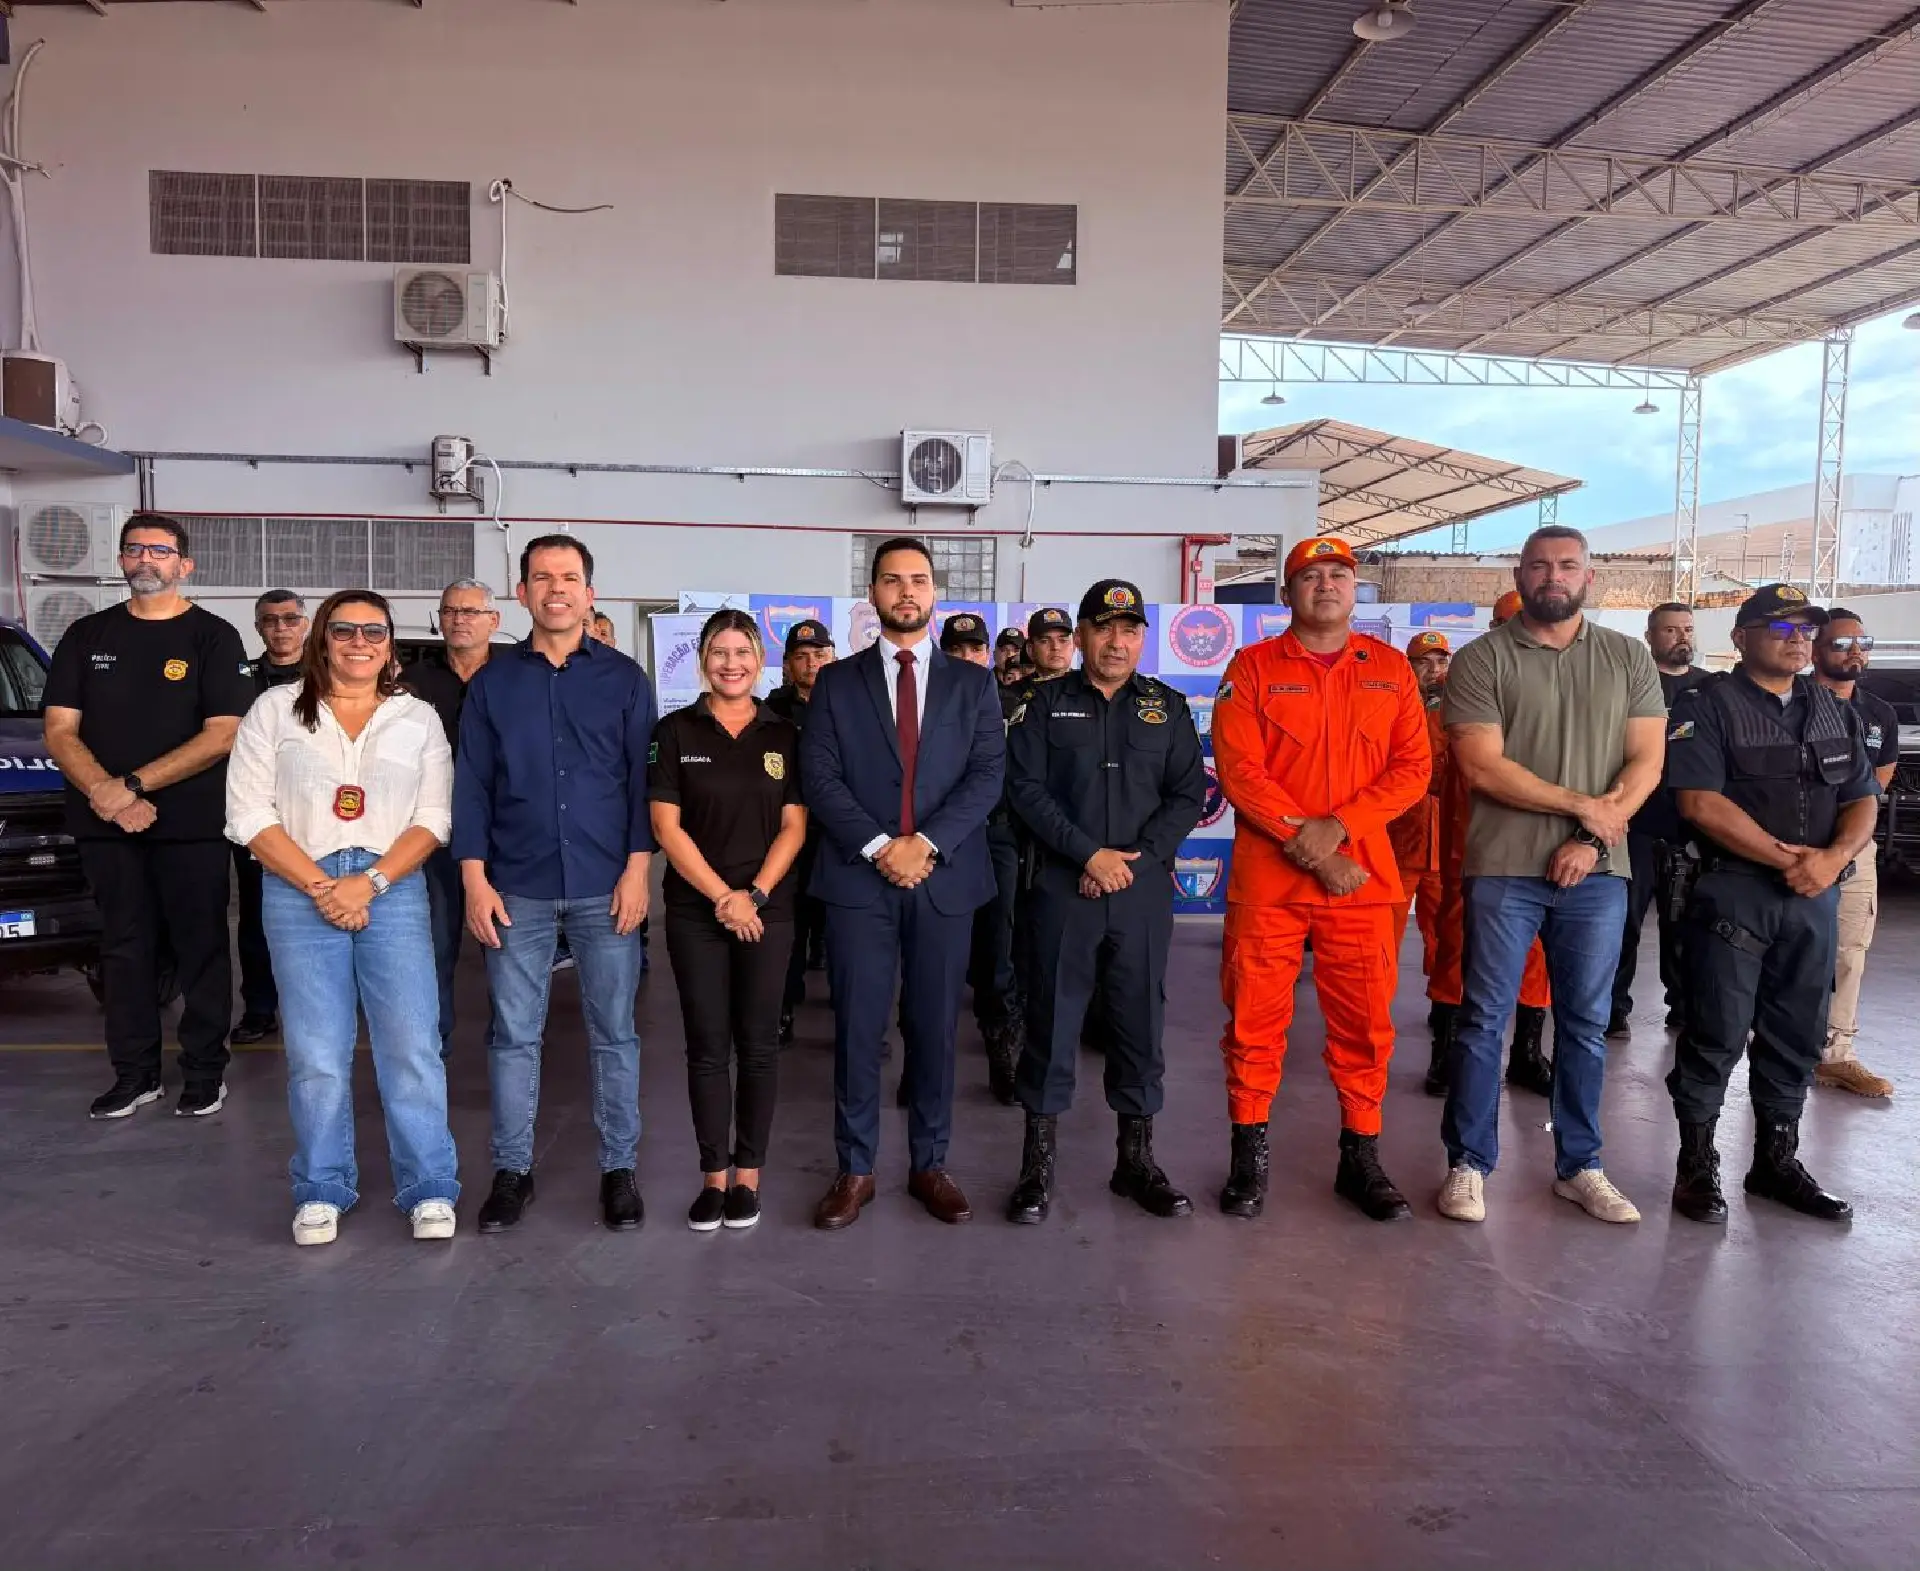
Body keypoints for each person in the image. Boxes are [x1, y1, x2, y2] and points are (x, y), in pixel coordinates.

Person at [1437, 526, 1666, 1226]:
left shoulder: (1627, 656)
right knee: (1483, 1019)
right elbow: (1482, 766)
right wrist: (1581, 806)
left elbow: (1647, 762)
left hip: (1599, 872)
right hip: (1505, 867)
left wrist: (1591, 839)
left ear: (1589, 577)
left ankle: (1580, 1165)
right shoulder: (1481, 659)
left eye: (1567, 565)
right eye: (1539, 565)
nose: (1553, 576)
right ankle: (1468, 1164)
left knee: (1586, 1024)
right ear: (1520, 575)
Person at [225, 589, 460, 1246]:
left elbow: (433, 817)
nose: (360, 642)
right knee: (316, 1052)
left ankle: (429, 1185)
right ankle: (322, 1186)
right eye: (345, 630)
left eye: (374, 631)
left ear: (390, 644)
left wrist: (371, 882)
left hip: (393, 887)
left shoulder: (417, 717)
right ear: (322, 639)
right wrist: (322, 886)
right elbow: (248, 813)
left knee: (411, 1045)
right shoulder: (274, 710)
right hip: (298, 887)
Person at [1211, 537, 1431, 1223]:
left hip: (1361, 881)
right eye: (1310, 576)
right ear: (1287, 594)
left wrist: (1338, 827)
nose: (1326, 584)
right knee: (1253, 1024)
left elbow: (1412, 769)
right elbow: (1240, 772)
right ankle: (1248, 1157)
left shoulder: (1391, 670)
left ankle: (1360, 1157)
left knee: (1366, 1027)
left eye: (1339, 574)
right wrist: (1313, 849)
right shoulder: (1251, 667)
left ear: (1355, 590)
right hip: (1270, 883)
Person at [453, 534, 657, 1234]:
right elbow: (472, 785)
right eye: (542, 577)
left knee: (615, 1033)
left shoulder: (625, 680)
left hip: (607, 883)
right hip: (517, 884)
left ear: (590, 593)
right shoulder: (493, 684)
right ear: (523, 594)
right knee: (513, 1035)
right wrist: (474, 879)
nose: (556, 588)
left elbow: (643, 783)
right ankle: (512, 1171)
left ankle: (619, 1170)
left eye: (569, 577)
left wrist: (639, 870)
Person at [800, 536, 1005, 1230]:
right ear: (873, 594)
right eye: (892, 580)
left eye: (918, 579)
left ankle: (930, 1163)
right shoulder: (836, 682)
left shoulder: (974, 684)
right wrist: (881, 845)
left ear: (934, 592)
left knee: (935, 1029)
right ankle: (855, 1169)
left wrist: (928, 844)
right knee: (858, 1028)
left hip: (944, 882)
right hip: (860, 882)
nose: (906, 591)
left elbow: (987, 777)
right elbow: (820, 777)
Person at [1665, 585, 1876, 1224]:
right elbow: (1700, 802)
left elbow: (1862, 796)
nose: (1798, 640)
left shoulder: (1832, 708)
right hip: (1734, 894)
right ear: (1740, 638)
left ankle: (1775, 1164)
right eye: (1781, 628)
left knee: (1797, 1035)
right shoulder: (1706, 704)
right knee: (1716, 1032)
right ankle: (1696, 1167)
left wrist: (1832, 860)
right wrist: (1793, 862)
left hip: (1814, 898)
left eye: (1806, 630)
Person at [1004, 580, 1207, 1223]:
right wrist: (1089, 855)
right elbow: (1025, 789)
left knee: (1138, 1022)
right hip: (1062, 889)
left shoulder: (1167, 708)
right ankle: (1036, 1170)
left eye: (1129, 630)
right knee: (1051, 1021)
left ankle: (1135, 1164)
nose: (1116, 643)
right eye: (1103, 628)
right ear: (1083, 635)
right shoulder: (1042, 703)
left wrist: (1132, 862)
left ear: (1142, 638)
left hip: (1140, 893)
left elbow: (1187, 795)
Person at [43, 512, 254, 1120]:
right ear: (120, 561)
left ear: (184, 565)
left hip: (190, 825)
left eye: (160, 551)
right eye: (134, 549)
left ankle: (204, 1073)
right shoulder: (87, 634)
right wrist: (106, 794)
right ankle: (135, 1075)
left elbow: (223, 734)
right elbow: (59, 730)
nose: (145, 559)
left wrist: (131, 786)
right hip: (104, 824)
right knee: (124, 948)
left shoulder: (213, 637)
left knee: (201, 947)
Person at [649, 610, 807, 1233]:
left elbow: (794, 825)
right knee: (708, 1046)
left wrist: (756, 896)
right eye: (720, 652)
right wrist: (724, 898)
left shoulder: (784, 734)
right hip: (697, 911)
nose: (731, 663)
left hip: (769, 910)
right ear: (702, 661)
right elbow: (667, 827)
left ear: (760, 662)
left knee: (759, 1045)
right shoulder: (674, 731)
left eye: (743, 652)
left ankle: (749, 1177)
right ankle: (713, 1176)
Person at [1423, 589, 1554, 1099]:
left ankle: (1526, 1053)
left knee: (1536, 948)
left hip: (1540, 841)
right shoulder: (1465, 685)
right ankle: (1447, 1053)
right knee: (1458, 942)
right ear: (1496, 628)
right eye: (1513, 622)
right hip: (1472, 841)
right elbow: (1432, 770)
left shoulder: (1562, 686)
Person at [398, 578, 501, 1059]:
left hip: (502, 832)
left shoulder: (515, 677)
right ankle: (433, 1041)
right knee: (434, 942)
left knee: (505, 944)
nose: (460, 619)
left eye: (471, 611)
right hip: (431, 832)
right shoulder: (410, 684)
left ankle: (510, 1041)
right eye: (450, 611)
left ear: (493, 621)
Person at [1610, 602, 1709, 1037]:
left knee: (1685, 922)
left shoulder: (1711, 689)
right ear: (1650, 636)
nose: (1681, 637)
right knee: (1624, 921)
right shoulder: (1630, 684)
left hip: (1690, 826)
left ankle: (1684, 1008)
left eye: (1687, 629)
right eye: (1670, 630)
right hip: (1635, 824)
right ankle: (1613, 1009)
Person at [1811, 608, 1898, 1099]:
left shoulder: (1878, 713)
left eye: (1863, 642)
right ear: (1816, 649)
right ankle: (1777, 1046)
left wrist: (1848, 841)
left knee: (1849, 950)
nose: (1856, 652)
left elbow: (1877, 786)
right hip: (1795, 846)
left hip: (1854, 849)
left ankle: (1835, 1055)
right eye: (1842, 644)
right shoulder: (1791, 702)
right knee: (1788, 948)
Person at [939, 612, 1021, 1101]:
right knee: (932, 958)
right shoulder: (920, 704)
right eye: (957, 650)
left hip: (996, 838)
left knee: (997, 951)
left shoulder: (1011, 705)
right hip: (937, 842)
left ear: (988, 654)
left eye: (976, 649)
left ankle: (1001, 1053)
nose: (968, 658)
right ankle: (923, 1065)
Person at [231, 589, 309, 1046]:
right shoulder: (239, 679)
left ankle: (321, 1008)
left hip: (320, 814)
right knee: (258, 915)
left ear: (305, 623)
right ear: (258, 627)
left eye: (290, 619)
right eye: (270, 620)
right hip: (258, 815)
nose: (281, 628)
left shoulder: (331, 672)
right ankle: (260, 1008)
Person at [766, 617, 835, 1044]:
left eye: (819, 655)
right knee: (789, 928)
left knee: (844, 930)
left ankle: (850, 1010)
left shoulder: (851, 703)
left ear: (833, 657)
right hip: (788, 835)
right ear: (788, 664)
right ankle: (783, 1008)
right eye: (801, 656)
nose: (811, 664)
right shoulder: (771, 711)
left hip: (838, 835)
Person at [1387, 630, 1449, 976]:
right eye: (1424, 662)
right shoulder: (1391, 708)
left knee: (1446, 940)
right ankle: (1374, 1005)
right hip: (1397, 844)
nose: (1434, 670)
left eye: (1441, 661)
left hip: (1446, 847)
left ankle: (1445, 1007)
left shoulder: (1462, 710)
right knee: (1383, 937)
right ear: (1408, 666)